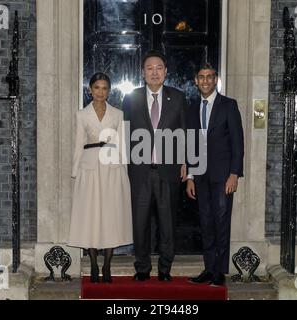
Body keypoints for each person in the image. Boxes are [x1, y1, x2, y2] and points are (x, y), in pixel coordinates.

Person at [122, 50, 187, 282]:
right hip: (139, 172)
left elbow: (185, 132)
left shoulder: (178, 97)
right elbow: (125, 134)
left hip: (168, 171)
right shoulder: (132, 99)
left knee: (167, 223)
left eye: (159, 68)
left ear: (166, 71)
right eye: (149, 68)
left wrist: (184, 161)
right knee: (140, 223)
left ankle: (165, 269)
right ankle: (142, 268)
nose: (154, 72)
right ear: (143, 73)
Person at [68, 72, 133, 283]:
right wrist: (75, 172)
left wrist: (125, 171)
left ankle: (107, 266)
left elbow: (123, 144)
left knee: (110, 217)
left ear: (109, 91)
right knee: (91, 217)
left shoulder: (118, 114)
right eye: (97, 87)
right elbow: (78, 144)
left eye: (105, 88)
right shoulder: (81, 114)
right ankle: (94, 265)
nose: (100, 92)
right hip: (89, 168)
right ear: (90, 90)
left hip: (112, 167)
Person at [186, 63, 244, 286]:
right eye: (201, 77)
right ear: (196, 80)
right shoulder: (192, 108)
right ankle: (209, 269)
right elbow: (191, 144)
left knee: (221, 222)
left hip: (223, 177)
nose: (206, 81)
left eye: (210, 77)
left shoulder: (228, 105)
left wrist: (234, 174)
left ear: (216, 79)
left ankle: (220, 272)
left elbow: (238, 143)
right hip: (200, 176)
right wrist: (190, 177)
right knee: (206, 223)